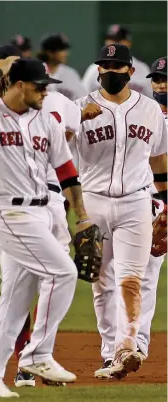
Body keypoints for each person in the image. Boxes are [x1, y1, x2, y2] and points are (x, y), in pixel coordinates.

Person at [0, 57, 100, 397]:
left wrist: (81, 215)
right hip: (9, 213)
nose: (43, 92)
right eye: (38, 85)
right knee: (62, 272)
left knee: (14, 303)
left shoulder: (46, 122)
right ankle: (38, 354)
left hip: (41, 212)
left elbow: (66, 170)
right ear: (18, 84)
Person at [74, 44, 167, 379]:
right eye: (105, 65)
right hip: (93, 200)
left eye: (117, 66)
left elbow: (159, 160)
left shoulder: (150, 110)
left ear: (130, 71)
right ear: (97, 70)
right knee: (101, 281)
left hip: (136, 202)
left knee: (131, 279)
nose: (110, 71)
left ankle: (126, 348)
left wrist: (166, 203)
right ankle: (109, 352)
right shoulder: (79, 108)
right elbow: (63, 158)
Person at [82, 24, 152, 98]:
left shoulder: (142, 68)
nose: (114, 43)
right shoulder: (94, 69)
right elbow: (83, 97)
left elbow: (152, 97)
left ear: (129, 43)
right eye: (111, 40)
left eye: (119, 40)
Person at [37, 32, 87, 100]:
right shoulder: (35, 72)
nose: (66, 53)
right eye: (61, 50)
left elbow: (82, 99)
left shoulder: (70, 73)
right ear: (50, 52)